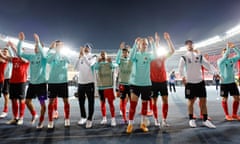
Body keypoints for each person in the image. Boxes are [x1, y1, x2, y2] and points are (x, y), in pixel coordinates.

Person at [179, 40, 216, 128]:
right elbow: (180, 68)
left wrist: (215, 72)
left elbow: (208, 65)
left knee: (203, 101)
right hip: (190, 83)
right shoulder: (183, 57)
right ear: (186, 46)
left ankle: (205, 120)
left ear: (193, 45)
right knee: (190, 102)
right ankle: (191, 119)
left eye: (191, 44)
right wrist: (183, 77)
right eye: (188, 44)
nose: (190, 46)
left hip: (200, 82)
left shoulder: (199, 56)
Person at [17, 32, 48, 129]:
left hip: (41, 85)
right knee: (27, 102)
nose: (35, 48)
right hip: (32, 85)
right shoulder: (31, 57)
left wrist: (38, 41)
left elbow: (43, 53)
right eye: (35, 47)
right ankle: (34, 114)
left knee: (42, 104)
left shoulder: (44, 57)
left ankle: (41, 120)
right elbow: (20, 53)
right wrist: (21, 41)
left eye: (37, 47)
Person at [126, 36, 156, 133]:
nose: (144, 45)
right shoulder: (136, 55)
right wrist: (135, 44)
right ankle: (130, 124)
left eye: (146, 44)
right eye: (142, 43)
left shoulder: (149, 55)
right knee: (133, 106)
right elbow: (130, 57)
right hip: (135, 84)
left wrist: (153, 43)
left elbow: (155, 56)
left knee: (144, 106)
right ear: (139, 45)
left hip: (146, 84)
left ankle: (143, 124)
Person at [150, 32, 175, 127]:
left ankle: (164, 120)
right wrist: (156, 42)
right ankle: (156, 119)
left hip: (163, 81)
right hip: (153, 82)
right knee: (154, 102)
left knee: (165, 100)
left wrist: (168, 39)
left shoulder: (162, 57)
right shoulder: (150, 58)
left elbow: (172, 51)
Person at [47, 40, 70, 128]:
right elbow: (48, 60)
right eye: (57, 45)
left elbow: (69, 60)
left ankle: (67, 119)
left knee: (66, 101)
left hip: (63, 81)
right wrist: (53, 50)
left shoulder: (65, 55)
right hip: (52, 82)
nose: (59, 46)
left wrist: (61, 52)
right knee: (51, 102)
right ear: (55, 46)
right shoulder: (52, 54)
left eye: (60, 45)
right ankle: (50, 121)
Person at [5, 40, 30, 125]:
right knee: (13, 100)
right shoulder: (14, 59)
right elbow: (5, 57)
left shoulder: (26, 59)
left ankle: (21, 118)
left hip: (21, 82)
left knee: (21, 100)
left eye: (21, 50)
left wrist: (13, 47)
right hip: (13, 82)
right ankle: (15, 118)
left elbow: (19, 55)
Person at [92, 51, 117, 127]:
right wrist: (97, 62)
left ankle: (113, 119)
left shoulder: (109, 63)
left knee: (111, 103)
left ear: (106, 56)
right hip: (101, 87)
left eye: (104, 54)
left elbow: (115, 66)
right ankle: (104, 118)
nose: (103, 56)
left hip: (109, 86)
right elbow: (93, 68)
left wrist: (110, 62)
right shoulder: (98, 64)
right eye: (101, 54)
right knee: (102, 103)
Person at [74, 44, 96, 128]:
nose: (86, 48)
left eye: (87, 48)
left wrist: (83, 55)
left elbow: (90, 64)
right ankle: (83, 117)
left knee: (91, 101)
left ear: (90, 49)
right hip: (81, 83)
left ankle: (89, 119)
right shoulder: (81, 57)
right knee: (81, 102)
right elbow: (76, 68)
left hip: (89, 82)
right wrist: (79, 57)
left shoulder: (93, 56)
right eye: (85, 47)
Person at [217, 42, 240, 121]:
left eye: (226, 51)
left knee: (237, 98)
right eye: (224, 51)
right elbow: (225, 56)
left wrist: (234, 47)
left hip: (232, 82)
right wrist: (228, 47)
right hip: (224, 83)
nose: (226, 52)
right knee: (224, 99)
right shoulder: (220, 61)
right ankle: (227, 115)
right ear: (222, 54)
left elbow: (239, 55)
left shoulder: (231, 60)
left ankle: (234, 114)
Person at [115, 42, 132, 124]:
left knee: (130, 100)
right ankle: (124, 116)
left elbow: (133, 56)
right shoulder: (120, 60)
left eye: (126, 52)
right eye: (123, 52)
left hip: (130, 84)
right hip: (122, 83)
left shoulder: (131, 60)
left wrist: (131, 50)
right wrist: (120, 49)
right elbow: (116, 60)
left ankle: (129, 115)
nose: (124, 53)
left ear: (128, 53)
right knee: (122, 100)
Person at [0, 46, 12, 118]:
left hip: (7, 78)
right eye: (4, 51)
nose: (4, 53)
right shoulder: (2, 59)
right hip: (1, 78)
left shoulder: (9, 60)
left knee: (5, 94)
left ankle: (5, 110)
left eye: (6, 52)